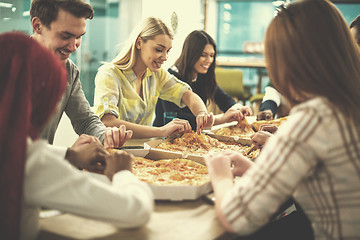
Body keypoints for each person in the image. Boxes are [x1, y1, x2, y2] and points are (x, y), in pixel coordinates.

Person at [205, 0, 360, 239]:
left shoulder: (313, 118)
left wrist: (220, 175)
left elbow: (235, 217)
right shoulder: (347, 103)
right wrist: (259, 171)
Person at [0, 32, 153, 240]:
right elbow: (135, 210)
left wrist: (69, 155)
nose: (74, 46)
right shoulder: (29, 164)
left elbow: (85, 120)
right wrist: (123, 174)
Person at [30, 0, 132, 149]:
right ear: (38, 26)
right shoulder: (8, 66)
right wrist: (68, 155)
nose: (73, 47)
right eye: (65, 36)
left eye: (78, 37)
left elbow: (86, 120)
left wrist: (106, 136)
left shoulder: (69, 70)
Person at [94, 17, 214, 137]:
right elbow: (107, 122)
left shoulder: (157, 74)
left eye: (168, 51)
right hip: (114, 152)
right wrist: (161, 131)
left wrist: (201, 113)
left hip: (144, 150)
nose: (165, 57)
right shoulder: (109, 74)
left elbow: (187, 94)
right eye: (159, 50)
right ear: (139, 43)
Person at [153, 30, 252, 130]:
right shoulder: (171, 78)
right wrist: (221, 120)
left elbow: (223, 98)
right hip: (164, 137)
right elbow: (178, 119)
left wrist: (238, 108)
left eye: (212, 55)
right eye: (203, 55)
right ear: (191, 54)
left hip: (193, 135)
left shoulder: (202, 75)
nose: (209, 60)